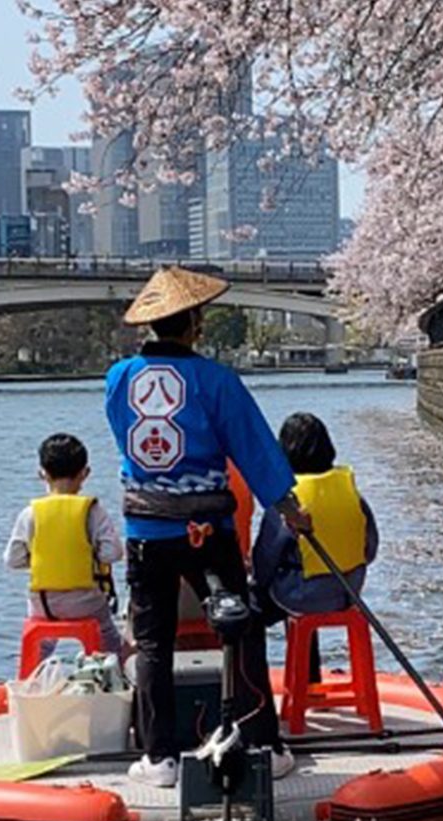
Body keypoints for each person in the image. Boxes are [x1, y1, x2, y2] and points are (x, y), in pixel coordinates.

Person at [105, 265, 311, 788]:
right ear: (194, 321)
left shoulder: (119, 379)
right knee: (239, 632)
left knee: (153, 643)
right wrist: (288, 510)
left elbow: (126, 439)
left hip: (147, 531)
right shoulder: (216, 380)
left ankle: (159, 758)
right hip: (208, 529)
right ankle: (264, 742)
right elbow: (254, 448)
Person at [252, 412, 379, 682]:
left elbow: (265, 560)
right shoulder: (350, 491)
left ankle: (255, 690)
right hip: (348, 591)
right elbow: (370, 549)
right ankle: (308, 679)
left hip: (303, 595)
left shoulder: (288, 500)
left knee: (247, 613)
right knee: (298, 588)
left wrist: (254, 582)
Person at [4, 433, 124, 659]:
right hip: (87, 602)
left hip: (44, 604)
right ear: (85, 473)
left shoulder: (30, 514)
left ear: (42, 474)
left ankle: (31, 676)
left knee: (42, 641)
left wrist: (40, 558)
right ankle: (114, 672)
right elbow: (114, 553)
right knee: (108, 636)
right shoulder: (93, 511)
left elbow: (12, 559)